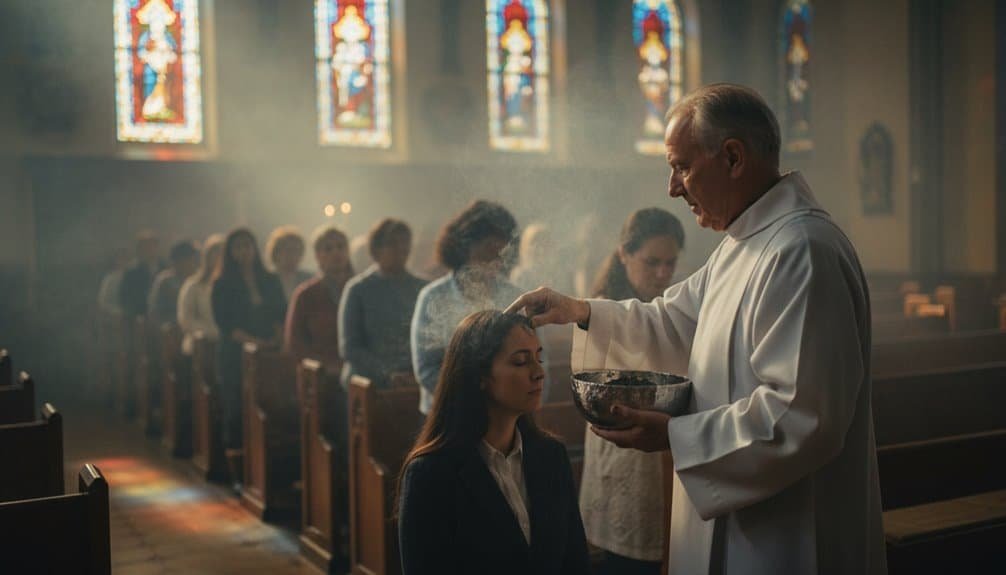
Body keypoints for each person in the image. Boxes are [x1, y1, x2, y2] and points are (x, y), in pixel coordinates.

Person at [507, 84, 886, 574]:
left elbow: (802, 415)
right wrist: (578, 310)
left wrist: (679, 436)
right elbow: (670, 321)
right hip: (736, 517)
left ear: (732, 158)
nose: (673, 187)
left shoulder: (801, 251)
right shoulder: (742, 244)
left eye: (681, 166)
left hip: (784, 536)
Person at [397, 310, 590, 575]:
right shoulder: (431, 474)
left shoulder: (550, 455)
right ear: (480, 376)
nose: (538, 373)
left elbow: (575, 561)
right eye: (521, 362)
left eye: (539, 358)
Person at [580, 207, 684, 575]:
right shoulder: (600, 309)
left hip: (671, 459)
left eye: (670, 263)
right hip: (626, 466)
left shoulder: (677, 303)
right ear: (624, 254)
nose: (663, 273)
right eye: (652, 262)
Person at [411, 200, 528, 416]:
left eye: (501, 253)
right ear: (465, 248)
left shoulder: (515, 297)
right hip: (448, 416)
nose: (495, 261)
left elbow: (538, 361)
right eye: (487, 251)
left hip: (506, 415)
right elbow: (427, 369)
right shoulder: (434, 297)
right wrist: (475, 404)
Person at [212, 228, 287, 485]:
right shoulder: (222, 284)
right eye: (238, 247)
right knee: (236, 411)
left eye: (248, 246)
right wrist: (256, 343)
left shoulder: (270, 279)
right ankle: (239, 473)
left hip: (269, 354)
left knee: (270, 408)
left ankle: (268, 471)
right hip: (236, 355)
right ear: (230, 253)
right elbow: (227, 325)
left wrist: (276, 338)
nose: (244, 252)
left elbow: (281, 312)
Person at [339, 219, 427, 388]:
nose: (401, 248)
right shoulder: (358, 289)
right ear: (376, 249)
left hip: (414, 379)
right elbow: (350, 348)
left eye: (405, 242)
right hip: (368, 383)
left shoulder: (423, 289)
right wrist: (387, 374)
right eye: (393, 243)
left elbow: (429, 340)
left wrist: (415, 373)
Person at [284, 226, 354, 372]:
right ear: (317, 255)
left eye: (341, 246)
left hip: (356, 369)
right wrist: (324, 366)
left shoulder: (360, 290)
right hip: (321, 375)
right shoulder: (306, 295)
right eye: (328, 248)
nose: (336, 252)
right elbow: (295, 345)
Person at [177, 234, 224, 356]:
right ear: (207, 257)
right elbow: (186, 319)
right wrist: (210, 332)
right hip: (201, 343)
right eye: (216, 254)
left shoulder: (233, 285)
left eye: (222, 255)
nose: (219, 259)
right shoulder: (193, 285)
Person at [148, 239, 200, 327]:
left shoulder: (199, 279)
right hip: (171, 326)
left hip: (196, 325)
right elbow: (154, 309)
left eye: (190, 259)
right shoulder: (165, 281)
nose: (187, 264)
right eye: (183, 260)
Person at [119, 230, 164, 319]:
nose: (148, 250)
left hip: (162, 316)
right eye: (145, 247)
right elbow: (124, 298)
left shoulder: (165, 268)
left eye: (151, 246)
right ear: (139, 250)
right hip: (139, 317)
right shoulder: (131, 272)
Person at [266, 226, 313, 301]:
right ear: (276, 252)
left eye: (297, 251)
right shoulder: (266, 280)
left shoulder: (309, 280)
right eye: (289, 250)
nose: (293, 255)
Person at [97, 248, 130, 316]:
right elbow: (102, 301)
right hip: (114, 317)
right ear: (116, 261)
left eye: (125, 259)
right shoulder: (109, 279)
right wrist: (116, 312)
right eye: (121, 259)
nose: (123, 261)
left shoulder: (134, 278)